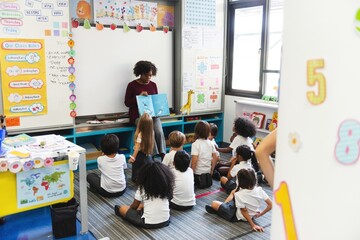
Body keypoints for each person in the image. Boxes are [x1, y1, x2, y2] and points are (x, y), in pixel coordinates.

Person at [205, 168, 272, 232]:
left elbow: (244, 211)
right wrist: (260, 214)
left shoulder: (239, 195)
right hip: (249, 212)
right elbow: (270, 205)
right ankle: (224, 206)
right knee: (233, 192)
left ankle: (221, 208)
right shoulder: (259, 190)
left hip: (235, 215)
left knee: (214, 203)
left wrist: (253, 225)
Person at [124, 60, 166, 159]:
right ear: (140, 74)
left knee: (159, 131)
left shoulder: (153, 85)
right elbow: (127, 103)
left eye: (151, 75)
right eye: (146, 75)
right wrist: (138, 97)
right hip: (138, 116)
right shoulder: (132, 85)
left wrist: (159, 109)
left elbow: (155, 102)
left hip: (153, 115)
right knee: (150, 131)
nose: (149, 78)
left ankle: (163, 154)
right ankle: (154, 155)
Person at [114, 161, 174, 229]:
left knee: (122, 208)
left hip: (148, 222)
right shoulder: (166, 185)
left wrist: (130, 210)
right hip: (166, 220)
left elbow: (134, 206)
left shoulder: (142, 188)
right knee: (143, 205)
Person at [191, 121, 218, 188]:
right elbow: (215, 157)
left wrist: (191, 173)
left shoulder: (195, 144)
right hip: (208, 174)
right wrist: (212, 169)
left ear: (196, 132)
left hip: (198, 174)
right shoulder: (211, 143)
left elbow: (194, 161)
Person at [129, 112, 154, 182]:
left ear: (140, 124)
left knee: (136, 177)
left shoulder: (140, 135)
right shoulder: (151, 132)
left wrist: (132, 158)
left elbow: (137, 148)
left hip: (139, 157)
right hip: (148, 156)